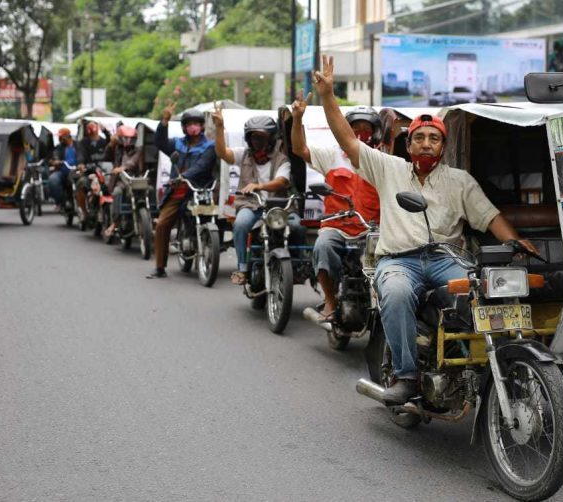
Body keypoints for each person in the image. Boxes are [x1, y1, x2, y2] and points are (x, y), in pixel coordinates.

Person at [313, 55, 537, 404]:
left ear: (444, 147)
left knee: (482, 292)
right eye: (420, 138)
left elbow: (489, 216)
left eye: (434, 138)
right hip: (399, 261)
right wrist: (328, 96)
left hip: (447, 258)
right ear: (409, 144)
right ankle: (406, 375)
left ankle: (483, 362)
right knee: (398, 294)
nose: (427, 143)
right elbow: (347, 140)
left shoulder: (459, 181)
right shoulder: (389, 169)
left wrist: (515, 240)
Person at [290, 96, 382, 325]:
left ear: (375, 132)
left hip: (372, 229)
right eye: (355, 128)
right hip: (337, 227)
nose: (360, 132)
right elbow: (299, 148)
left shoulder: (382, 160)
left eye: (366, 128)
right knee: (322, 248)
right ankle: (330, 300)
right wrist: (297, 118)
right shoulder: (331, 155)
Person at [212, 108, 291, 285]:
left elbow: (283, 181)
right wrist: (219, 127)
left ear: (271, 138)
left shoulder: (281, 159)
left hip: (276, 207)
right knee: (240, 224)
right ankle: (242, 268)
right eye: (254, 137)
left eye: (261, 137)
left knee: (297, 227)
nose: (257, 141)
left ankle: (296, 267)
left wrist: (259, 185)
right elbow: (222, 153)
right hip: (250, 205)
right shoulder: (244, 154)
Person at [148, 105, 217, 279]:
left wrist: (185, 176)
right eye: (189, 124)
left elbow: (202, 167)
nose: (193, 127)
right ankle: (160, 267)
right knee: (162, 224)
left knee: (216, 218)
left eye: (197, 123)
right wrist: (163, 122)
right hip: (177, 192)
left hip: (199, 191)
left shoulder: (209, 146)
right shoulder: (177, 143)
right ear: (184, 127)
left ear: (202, 126)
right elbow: (160, 143)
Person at [103, 125, 145, 238]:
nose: (128, 141)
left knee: (149, 191)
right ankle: (114, 223)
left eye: (130, 138)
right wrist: (111, 144)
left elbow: (134, 161)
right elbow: (106, 156)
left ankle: (152, 220)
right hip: (121, 180)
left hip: (136, 179)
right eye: (125, 138)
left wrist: (123, 167)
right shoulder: (117, 149)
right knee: (117, 193)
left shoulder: (139, 149)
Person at [73, 121, 113, 217]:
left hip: (104, 172)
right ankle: (84, 212)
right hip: (89, 171)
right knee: (81, 183)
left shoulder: (104, 142)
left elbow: (111, 146)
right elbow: (80, 155)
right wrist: (81, 164)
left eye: (94, 127)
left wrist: (106, 132)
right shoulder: (83, 143)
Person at [48, 128, 78, 210]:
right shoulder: (59, 147)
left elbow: (83, 155)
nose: (59, 139)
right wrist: (56, 161)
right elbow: (55, 155)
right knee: (53, 179)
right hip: (62, 171)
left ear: (67, 136)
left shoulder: (77, 145)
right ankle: (59, 202)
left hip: (76, 171)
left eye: (61, 137)